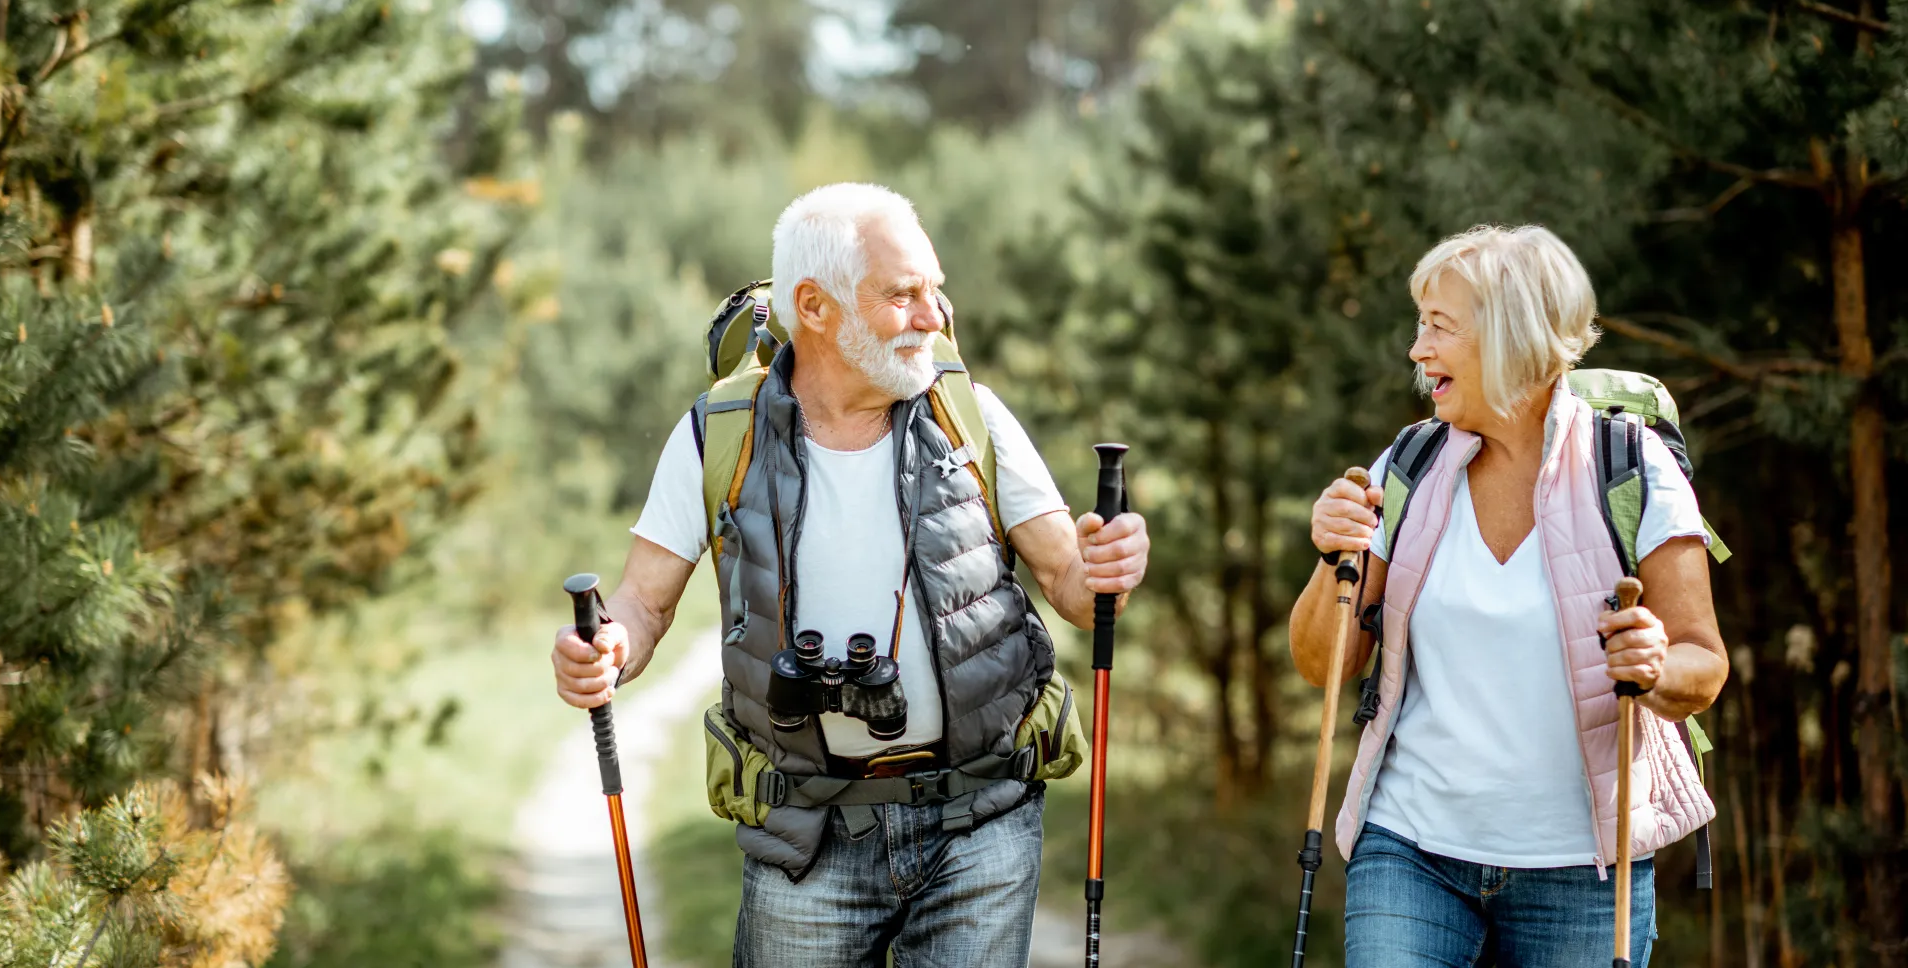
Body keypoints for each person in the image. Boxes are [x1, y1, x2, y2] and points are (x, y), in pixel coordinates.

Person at [550, 183, 1150, 968]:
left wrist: (1107, 564)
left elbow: (1073, 587)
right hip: (805, 833)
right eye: (902, 296)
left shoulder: (970, 415)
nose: (933, 317)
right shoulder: (717, 434)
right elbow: (641, 602)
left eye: (935, 291)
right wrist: (606, 648)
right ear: (817, 306)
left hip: (981, 824)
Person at [1289, 225, 1726, 967]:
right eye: (1419, 325)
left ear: (1510, 336)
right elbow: (1321, 661)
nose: (1417, 350)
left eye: (1439, 327)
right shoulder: (1410, 464)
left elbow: (1703, 666)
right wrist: (1333, 555)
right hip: (1411, 849)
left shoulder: (1630, 466)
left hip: (1582, 871)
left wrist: (1655, 665)